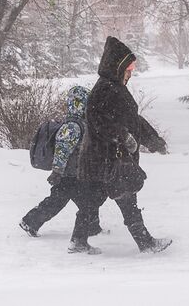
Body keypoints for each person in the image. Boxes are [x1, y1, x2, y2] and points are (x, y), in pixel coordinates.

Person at [69, 36, 172, 255]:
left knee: (91, 202)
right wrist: (123, 136)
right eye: (129, 68)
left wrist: (154, 141)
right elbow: (99, 122)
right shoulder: (104, 90)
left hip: (103, 160)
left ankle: (78, 241)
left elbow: (134, 120)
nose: (131, 72)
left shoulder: (115, 88)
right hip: (108, 159)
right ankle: (146, 243)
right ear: (117, 67)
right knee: (126, 199)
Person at [19, 86, 103, 237]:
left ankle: (92, 226)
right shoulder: (72, 126)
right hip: (69, 174)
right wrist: (57, 171)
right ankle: (30, 221)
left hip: (76, 172)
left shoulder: (80, 123)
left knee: (85, 200)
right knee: (62, 201)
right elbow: (62, 148)